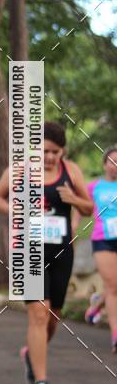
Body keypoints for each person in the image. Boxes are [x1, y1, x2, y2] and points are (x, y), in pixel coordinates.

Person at [0, 121, 93, 384]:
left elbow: (88, 208)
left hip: (61, 250)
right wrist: (14, 210)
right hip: (28, 250)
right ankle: (41, 383)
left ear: (63, 151)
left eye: (56, 152)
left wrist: (73, 198)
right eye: (45, 151)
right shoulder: (20, 170)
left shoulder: (70, 171)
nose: (50, 157)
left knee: (53, 315)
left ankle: (30, 355)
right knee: (39, 312)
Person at [87, 146, 117, 353]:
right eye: (113, 161)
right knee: (113, 286)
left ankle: (97, 304)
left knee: (113, 286)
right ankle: (116, 334)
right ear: (105, 164)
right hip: (103, 239)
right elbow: (83, 209)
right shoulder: (94, 187)